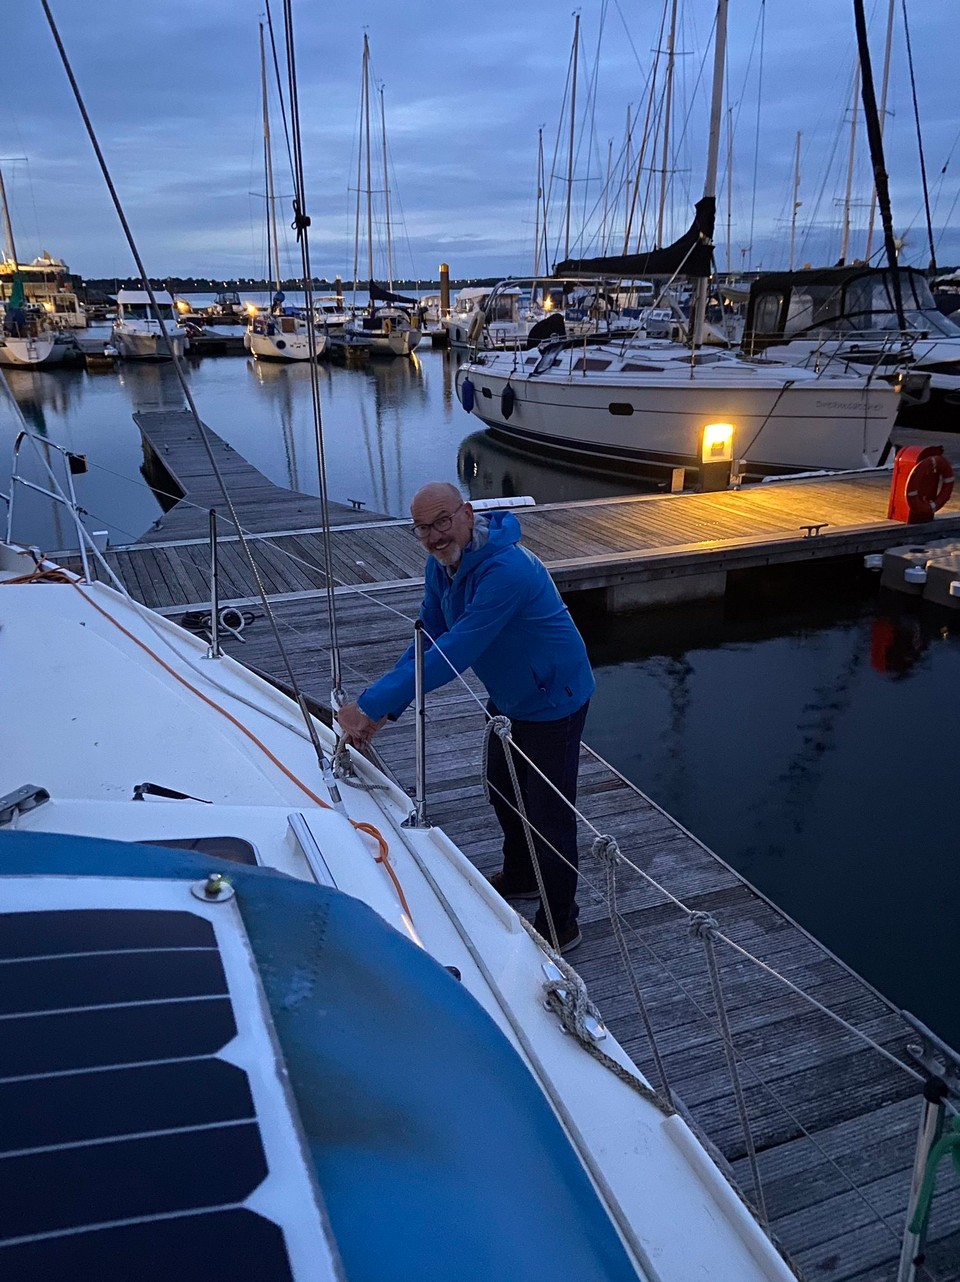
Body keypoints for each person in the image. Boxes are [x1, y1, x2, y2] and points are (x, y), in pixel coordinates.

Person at [337, 481, 594, 954]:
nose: (435, 535)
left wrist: (368, 705)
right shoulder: (444, 566)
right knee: (501, 789)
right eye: (422, 528)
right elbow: (430, 635)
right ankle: (520, 876)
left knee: (549, 817)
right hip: (511, 696)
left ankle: (562, 924)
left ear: (468, 514)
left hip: (553, 700)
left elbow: (457, 650)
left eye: (442, 521)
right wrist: (386, 707)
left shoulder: (507, 571)